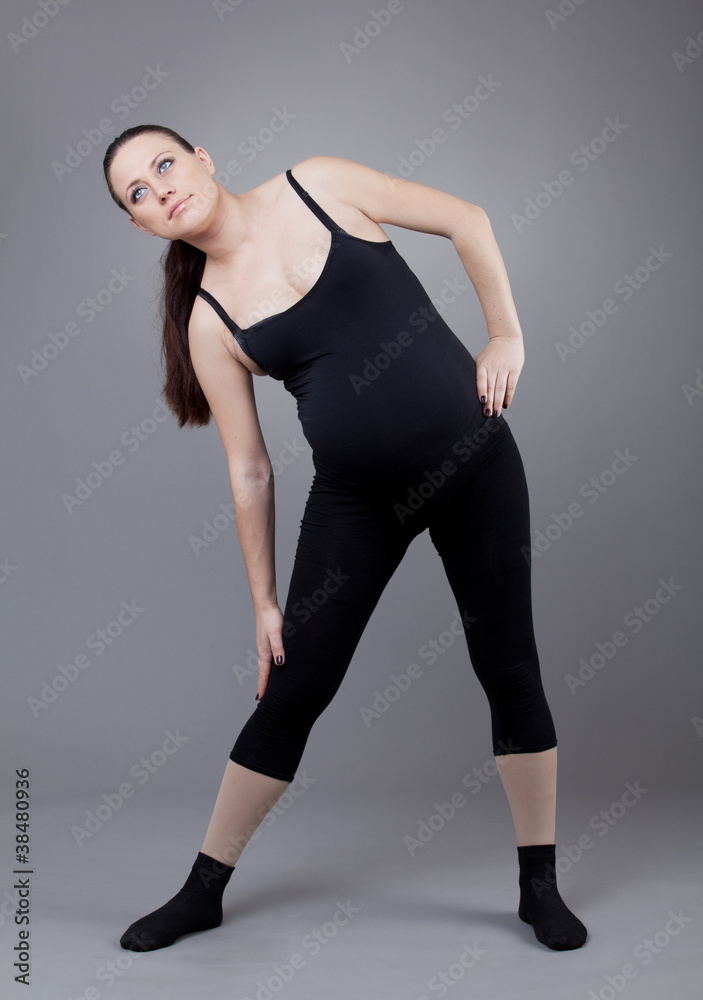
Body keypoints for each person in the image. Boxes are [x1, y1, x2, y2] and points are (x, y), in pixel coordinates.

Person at [103, 124, 587, 954]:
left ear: (204, 157)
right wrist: (261, 602)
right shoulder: (208, 322)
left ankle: (537, 885)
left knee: (508, 665)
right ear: (143, 226)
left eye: (164, 165)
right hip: (358, 503)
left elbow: (467, 217)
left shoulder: (319, 182)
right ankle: (202, 889)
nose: (160, 188)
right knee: (292, 691)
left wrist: (505, 333)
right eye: (138, 194)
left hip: (474, 464)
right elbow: (249, 469)